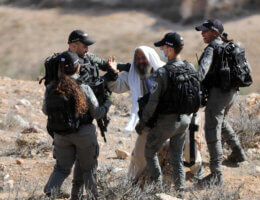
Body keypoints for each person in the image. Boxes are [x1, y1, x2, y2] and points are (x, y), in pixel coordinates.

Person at [107, 46, 203, 182]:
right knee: (139, 154)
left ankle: (197, 170)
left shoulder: (167, 71)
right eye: (137, 59)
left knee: (188, 144)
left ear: (151, 58)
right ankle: (131, 183)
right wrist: (112, 74)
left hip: (174, 118)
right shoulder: (133, 75)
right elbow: (115, 86)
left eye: (143, 58)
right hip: (150, 120)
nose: (140, 61)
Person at [65, 29, 130, 199]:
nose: (87, 49)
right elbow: (84, 88)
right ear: (73, 45)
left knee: (83, 159)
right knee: (87, 161)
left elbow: (106, 65)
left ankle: (76, 195)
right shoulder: (66, 63)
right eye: (84, 46)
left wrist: (131, 66)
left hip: (87, 116)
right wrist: (109, 78)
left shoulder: (88, 58)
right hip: (74, 119)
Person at [43, 51, 112, 199]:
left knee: (61, 170)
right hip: (84, 135)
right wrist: (108, 103)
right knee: (89, 169)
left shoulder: (51, 87)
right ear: (77, 67)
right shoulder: (83, 87)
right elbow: (97, 113)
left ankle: (49, 195)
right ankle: (92, 197)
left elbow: (45, 110)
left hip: (61, 135)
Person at [135, 32, 193, 198]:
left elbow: (153, 103)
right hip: (184, 121)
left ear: (170, 49)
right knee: (177, 156)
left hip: (167, 123)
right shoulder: (189, 67)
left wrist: (142, 123)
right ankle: (180, 190)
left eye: (163, 47)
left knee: (150, 151)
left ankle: (157, 189)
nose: (161, 49)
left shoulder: (163, 73)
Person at [195, 19, 247, 186]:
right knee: (221, 121)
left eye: (206, 31)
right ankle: (238, 153)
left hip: (219, 94)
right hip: (232, 92)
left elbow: (201, 73)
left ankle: (216, 175)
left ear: (215, 33)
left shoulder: (212, 48)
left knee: (211, 129)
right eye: (202, 31)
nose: (202, 33)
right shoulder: (230, 45)